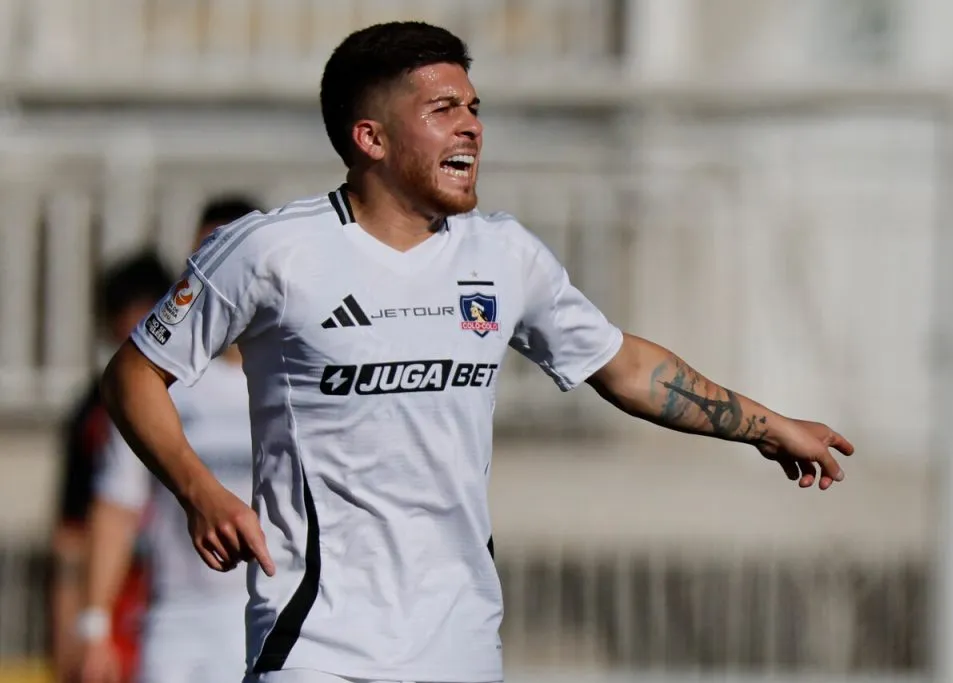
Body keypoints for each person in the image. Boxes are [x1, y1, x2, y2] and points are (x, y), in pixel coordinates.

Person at [99, 21, 855, 683]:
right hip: (316, 643)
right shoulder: (271, 251)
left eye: (474, 108)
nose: (471, 128)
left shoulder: (502, 254)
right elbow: (134, 374)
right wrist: (199, 490)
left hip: (458, 644)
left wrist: (766, 426)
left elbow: (623, 366)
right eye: (443, 110)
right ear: (371, 138)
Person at [76, 196, 261, 683]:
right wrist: (94, 625)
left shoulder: (296, 381)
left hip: (272, 612)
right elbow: (117, 505)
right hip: (176, 620)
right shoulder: (155, 386)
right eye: (207, 259)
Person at [50, 251, 173, 683]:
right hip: (117, 606)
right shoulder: (93, 414)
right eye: (123, 318)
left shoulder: (205, 397)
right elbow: (72, 533)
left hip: (187, 600)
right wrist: (73, 632)